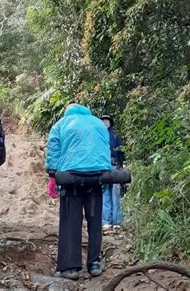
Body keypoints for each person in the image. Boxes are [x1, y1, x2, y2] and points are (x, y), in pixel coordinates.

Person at [45, 104, 111, 280]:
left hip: (71, 177)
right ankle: (94, 263)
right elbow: (105, 149)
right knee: (94, 220)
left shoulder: (61, 124)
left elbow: (54, 149)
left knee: (70, 221)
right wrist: (106, 174)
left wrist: (52, 175)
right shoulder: (98, 123)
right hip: (97, 176)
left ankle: (71, 267)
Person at [100, 115, 125, 232]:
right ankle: (106, 221)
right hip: (103, 167)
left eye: (107, 121)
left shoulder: (115, 136)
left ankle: (117, 221)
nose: (105, 123)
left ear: (110, 123)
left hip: (114, 166)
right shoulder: (98, 136)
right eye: (103, 121)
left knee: (115, 194)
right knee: (105, 193)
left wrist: (121, 165)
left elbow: (120, 152)